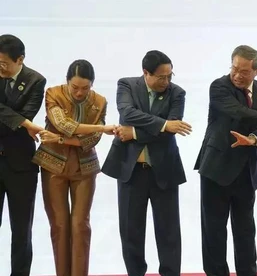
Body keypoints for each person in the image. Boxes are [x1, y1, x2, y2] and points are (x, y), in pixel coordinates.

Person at [194, 45, 257, 276]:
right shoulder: (219, 86)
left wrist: (254, 138)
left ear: (256, 71)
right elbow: (238, 111)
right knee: (214, 230)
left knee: (246, 230)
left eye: (244, 71)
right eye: (234, 68)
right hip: (216, 168)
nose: (237, 75)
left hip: (246, 171)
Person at [102, 50, 191, 276]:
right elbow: (128, 113)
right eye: (161, 77)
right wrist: (163, 125)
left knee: (169, 231)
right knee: (131, 231)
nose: (167, 81)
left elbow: (171, 130)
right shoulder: (127, 86)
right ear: (145, 73)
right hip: (132, 171)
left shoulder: (177, 93)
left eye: (170, 75)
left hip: (164, 170)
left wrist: (135, 134)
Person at [31, 59, 115, 276]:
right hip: (53, 166)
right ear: (67, 82)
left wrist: (59, 140)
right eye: (75, 87)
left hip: (85, 168)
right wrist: (101, 127)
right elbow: (63, 125)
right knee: (59, 226)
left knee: (80, 226)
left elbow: (92, 140)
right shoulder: (53, 93)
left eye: (85, 88)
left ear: (92, 85)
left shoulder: (100, 101)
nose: (79, 93)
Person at [0, 34, 46, 276]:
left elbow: (28, 113)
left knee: (21, 230)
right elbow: (20, 120)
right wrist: (22, 123)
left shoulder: (35, 80)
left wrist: (22, 123)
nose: (0, 68)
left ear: (20, 59)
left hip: (21, 166)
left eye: (3, 63)